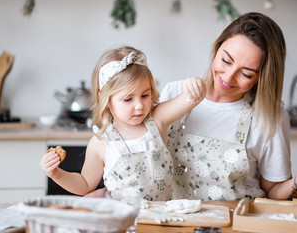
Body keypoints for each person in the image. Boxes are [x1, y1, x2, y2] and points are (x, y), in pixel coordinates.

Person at [159, 12, 297, 201]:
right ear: (217, 48)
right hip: (174, 220)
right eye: (226, 60)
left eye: (246, 74)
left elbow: (273, 191)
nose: (227, 77)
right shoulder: (174, 93)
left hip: (236, 224)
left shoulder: (269, 117)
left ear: (262, 78)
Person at [40, 46, 206, 201]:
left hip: (161, 220)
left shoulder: (157, 120)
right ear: (106, 101)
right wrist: (56, 173)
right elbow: (85, 184)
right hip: (123, 222)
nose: (140, 105)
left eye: (145, 95)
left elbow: (192, 98)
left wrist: (196, 85)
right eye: (128, 99)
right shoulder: (101, 143)